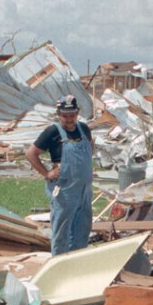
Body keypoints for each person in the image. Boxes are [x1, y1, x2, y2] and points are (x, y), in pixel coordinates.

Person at [26, 94, 95, 255]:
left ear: (77, 113)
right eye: (65, 116)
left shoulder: (84, 129)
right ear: (59, 114)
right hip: (64, 191)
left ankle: (76, 265)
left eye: (72, 115)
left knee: (82, 230)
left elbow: (90, 148)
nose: (70, 119)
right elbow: (31, 153)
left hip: (84, 190)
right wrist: (47, 173)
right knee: (62, 233)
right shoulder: (52, 132)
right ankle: (59, 264)